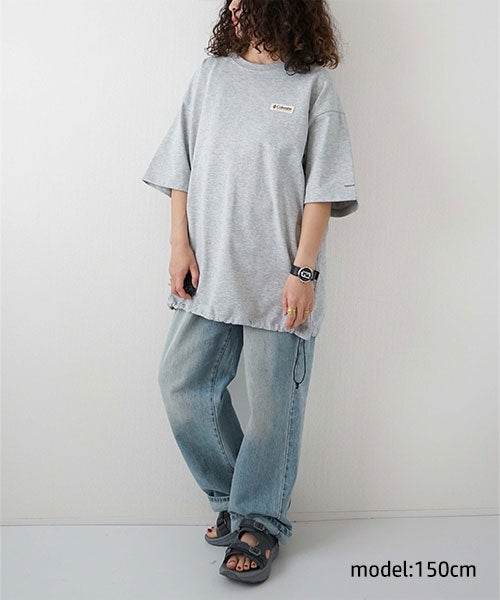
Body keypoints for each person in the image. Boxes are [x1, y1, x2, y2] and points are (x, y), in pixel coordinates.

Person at [142, 0, 359, 585]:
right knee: (180, 386)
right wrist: (178, 245)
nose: (235, 5)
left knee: (271, 415)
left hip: (280, 282)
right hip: (210, 273)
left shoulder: (313, 87)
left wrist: (304, 272)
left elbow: (323, 189)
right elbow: (180, 167)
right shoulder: (211, 76)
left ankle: (260, 521)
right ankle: (237, 498)